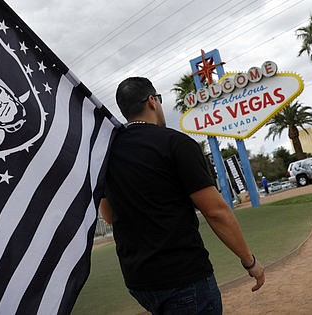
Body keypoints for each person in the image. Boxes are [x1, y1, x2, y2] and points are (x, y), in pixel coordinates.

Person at [99, 77, 265, 314]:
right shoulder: (175, 143)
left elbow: (108, 216)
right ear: (152, 101)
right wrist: (249, 261)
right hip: (183, 277)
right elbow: (215, 211)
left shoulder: (107, 154)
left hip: (139, 281)